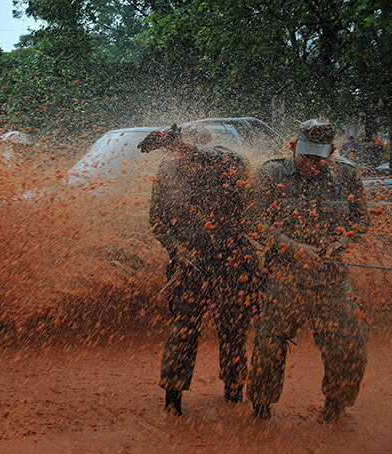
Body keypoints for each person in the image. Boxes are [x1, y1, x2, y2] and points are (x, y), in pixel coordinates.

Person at [247, 119, 370, 423]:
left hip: (331, 281)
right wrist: (294, 247)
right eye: (306, 155)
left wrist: (341, 242)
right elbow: (254, 223)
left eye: (319, 157)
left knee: (349, 344)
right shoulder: (271, 173)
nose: (311, 164)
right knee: (269, 347)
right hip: (285, 279)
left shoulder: (347, 174)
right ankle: (261, 407)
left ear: (332, 152)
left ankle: (335, 406)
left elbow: (361, 222)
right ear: (293, 147)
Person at [140, 124, 260, 415]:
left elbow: (221, 161)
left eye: (183, 149)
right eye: (174, 150)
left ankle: (233, 388)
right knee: (185, 328)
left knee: (233, 327)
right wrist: (175, 248)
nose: (179, 155)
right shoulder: (168, 173)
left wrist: (183, 146)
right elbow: (158, 220)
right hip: (190, 261)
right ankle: (173, 395)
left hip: (233, 260)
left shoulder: (228, 162)